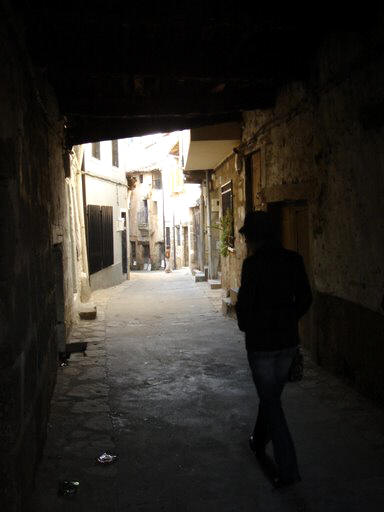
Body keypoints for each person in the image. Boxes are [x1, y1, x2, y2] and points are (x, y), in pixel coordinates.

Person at [235, 211, 312, 488]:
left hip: (261, 346)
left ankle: (289, 469)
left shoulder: (252, 266)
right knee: (271, 398)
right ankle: (257, 439)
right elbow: (305, 298)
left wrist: (248, 324)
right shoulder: (294, 260)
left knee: (271, 403)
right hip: (287, 344)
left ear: (254, 238)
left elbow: (244, 304)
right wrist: (289, 319)